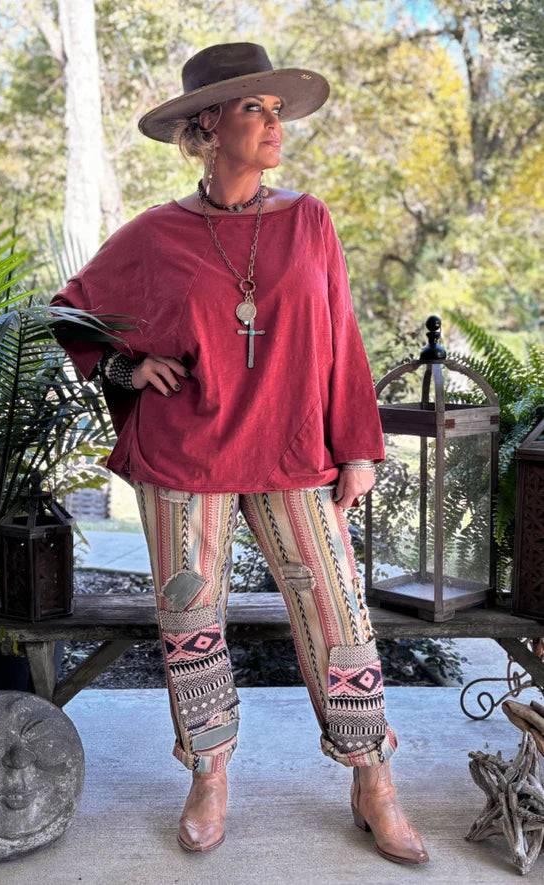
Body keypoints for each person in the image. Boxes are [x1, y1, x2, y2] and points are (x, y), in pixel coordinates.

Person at [50, 42, 429, 864]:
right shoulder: (156, 234)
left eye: (276, 109)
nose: (274, 124)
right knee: (191, 616)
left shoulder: (308, 219)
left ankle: (373, 779)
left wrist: (358, 448)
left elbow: (341, 334)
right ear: (208, 125)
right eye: (255, 108)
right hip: (185, 453)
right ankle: (209, 773)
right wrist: (125, 368)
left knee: (338, 609)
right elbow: (70, 310)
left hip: (291, 449)